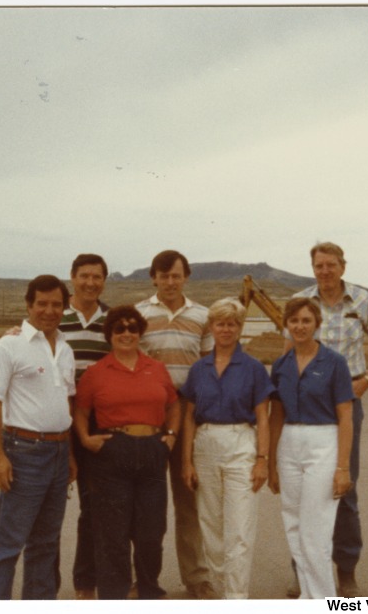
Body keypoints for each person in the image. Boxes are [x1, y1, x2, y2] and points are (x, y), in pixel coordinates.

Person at [284, 241, 368, 598]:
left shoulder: (361, 301)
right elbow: (288, 355)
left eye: (331, 265)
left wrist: (367, 380)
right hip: (307, 409)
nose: (325, 271)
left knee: (342, 486)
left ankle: (345, 571)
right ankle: (304, 572)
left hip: (345, 406)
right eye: (319, 266)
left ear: (342, 267)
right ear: (312, 268)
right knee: (301, 494)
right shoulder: (302, 303)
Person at [0, 274, 77, 599]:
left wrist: (71, 455)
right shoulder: (9, 345)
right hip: (24, 454)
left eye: (57, 304)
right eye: (42, 303)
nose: (49, 311)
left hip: (59, 454)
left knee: (46, 544)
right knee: (9, 543)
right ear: (29, 305)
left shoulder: (65, 349)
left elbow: (67, 404)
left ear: (65, 307)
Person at [73, 305, 181, 599]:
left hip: (152, 451)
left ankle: (148, 591)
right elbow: (81, 411)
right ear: (109, 334)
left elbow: (174, 405)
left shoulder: (156, 368)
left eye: (133, 328)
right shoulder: (96, 373)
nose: (126, 333)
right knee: (113, 533)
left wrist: (170, 436)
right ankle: (114, 595)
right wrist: (85, 439)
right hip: (112, 454)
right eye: (119, 328)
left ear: (140, 332)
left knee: (151, 531)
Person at [135, 249, 218, 599]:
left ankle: (197, 578)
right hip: (148, 420)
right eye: (164, 275)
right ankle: (145, 580)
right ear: (154, 277)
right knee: (146, 506)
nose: (170, 282)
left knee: (189, 501)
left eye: (177, 275)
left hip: (187, 418)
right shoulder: (139, 314)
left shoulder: (202, 316)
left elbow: (211, 368)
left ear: (186, 277)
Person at [179, 298, 273, 599]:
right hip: (205, 445)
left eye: (232, 323)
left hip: (241, 444)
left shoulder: (254, 368)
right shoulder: (199, 368)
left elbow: (262, 416)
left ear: (239, 328)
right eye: (220, 323)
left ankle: (237, 597)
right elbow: (189, 417)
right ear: (212, 327)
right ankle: (222, 591)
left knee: (239, 528)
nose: (226, 329)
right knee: (211, 528)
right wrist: (187, 462)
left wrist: (262, 460)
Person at [269, 297, 355, 599]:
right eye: (294, 321)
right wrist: (271, 464)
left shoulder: (334, 362)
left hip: (323, 442)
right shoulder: (280, 366)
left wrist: (342, 467)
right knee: (293, 524)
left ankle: (322, 599)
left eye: (306, 320)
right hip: (289, 444)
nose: (300, 326)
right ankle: (308, 595)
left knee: (315, 529)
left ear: (317, 324)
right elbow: (275, 415)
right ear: (286, 325)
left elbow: (346, 415)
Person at [62, 253, 110, 600]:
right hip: (57, 419)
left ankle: (86, 584)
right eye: (84, 276)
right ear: (72, 278)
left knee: (94, 505)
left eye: (97, 277)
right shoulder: (53, 317)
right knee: (49, 506)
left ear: (104, 281)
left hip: (97, 421)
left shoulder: (112, 321)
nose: (90, 283)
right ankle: (42, 586)